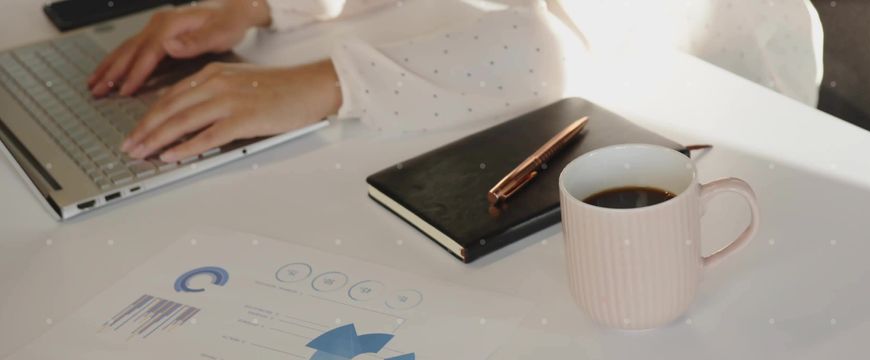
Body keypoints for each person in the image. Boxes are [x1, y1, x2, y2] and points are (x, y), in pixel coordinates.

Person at [89, 0, 822, 163]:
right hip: (557, 105)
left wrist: (331, 81)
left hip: (733, 147)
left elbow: (563, 44)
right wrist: (264, 6)